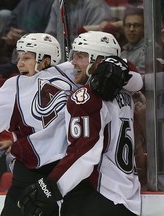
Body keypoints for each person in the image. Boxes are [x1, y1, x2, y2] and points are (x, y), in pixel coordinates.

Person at [0, 32, 143, 215]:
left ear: (46, 59)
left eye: (28, 57)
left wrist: (117, 67)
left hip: (76, 176)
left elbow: (119, 69)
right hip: (33, 176)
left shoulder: (73, 72)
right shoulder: (11, 89)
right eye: (19, 56)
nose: (20, 63)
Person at [18, 56, 141, 216]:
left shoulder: (85, 96)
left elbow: (84, 154)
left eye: (81, 56)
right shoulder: (125, 92)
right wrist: (117, 64)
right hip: (128, 198)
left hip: (96, 196)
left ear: (98, 61)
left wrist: (50, 187)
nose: (73, 62)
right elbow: (137, 80)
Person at [120, 7, 145, 75]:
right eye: (128, 25)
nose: (131, 29)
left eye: (136, 25)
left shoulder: (149, 51)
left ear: (144, 28)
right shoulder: (123, 54)